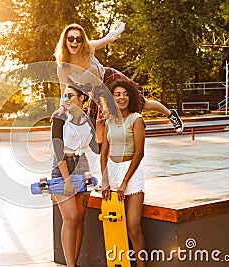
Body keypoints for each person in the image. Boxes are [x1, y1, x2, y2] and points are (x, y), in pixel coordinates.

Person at [53, 22, 184, 138]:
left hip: (109, 78)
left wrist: (120, 28)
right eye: (70, 39)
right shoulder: (63, 66)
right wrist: (61, 108)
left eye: (78, 39)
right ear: (65, 41)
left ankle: (170, 114)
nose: (74, 42)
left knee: (143, 103)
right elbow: (63, 90)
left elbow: (109, 38)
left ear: (83, 41)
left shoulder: (89, 48)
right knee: (93, 122)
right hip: (96, 90)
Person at [51, 82, 100, 267]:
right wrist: (67, 179)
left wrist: (103, 128)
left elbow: (97, 148)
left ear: (82, 99)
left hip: (82, 167)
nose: (66, 99)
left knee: (79, 219)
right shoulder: (59, 118)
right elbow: (58, 151)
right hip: (62, 168)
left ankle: (75, 262)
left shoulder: (88, 122)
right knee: (70, 217)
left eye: (70, 95)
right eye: (65, 95)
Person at [100, 79, 146, 267]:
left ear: (131, 97)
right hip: (112, 173)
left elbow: (139, 153)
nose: (122, 97)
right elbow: (103, 154)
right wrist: (105, 181)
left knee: (133, 228)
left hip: (132, 175)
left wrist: (125, 182)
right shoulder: (109, 121)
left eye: (125, 94)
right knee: (114, 226)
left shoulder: (136, 119)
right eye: (117, 94)